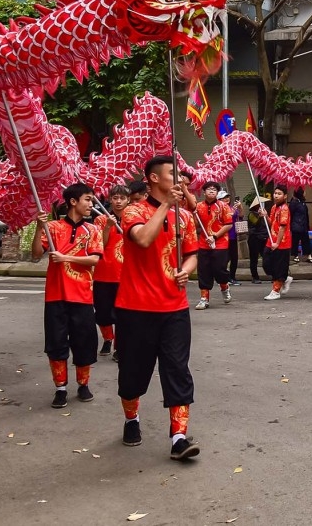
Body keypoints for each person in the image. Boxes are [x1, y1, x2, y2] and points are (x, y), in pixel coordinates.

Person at [116, 155, 201, 460]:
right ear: (153, 179)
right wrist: (166, 205)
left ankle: (178, 437)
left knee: (177, 370)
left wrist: (187, 269)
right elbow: (142, 239)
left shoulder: (186, 218)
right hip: (135, 307)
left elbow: (192, 253)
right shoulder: (132, 211)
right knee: (133, 374)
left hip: (174, 307)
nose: (178, 178)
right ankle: (131, 418)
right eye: (171, 173)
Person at [32, 183, 102, 409]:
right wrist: (38, 228)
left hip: (82, 296)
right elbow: (35, 254)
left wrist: (66, 259)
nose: (91, 204)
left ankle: (83, 384)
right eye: (88, 200)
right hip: (56, 296)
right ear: (73, 202)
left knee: (84, 343)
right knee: (56, 344)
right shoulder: (52, 227)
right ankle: (60, 388)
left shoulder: (93, 230)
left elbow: (94, 260)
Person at [94, 184, 130, 359]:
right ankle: (108, 337)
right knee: (102, 312)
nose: (118, 201)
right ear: (110, 199)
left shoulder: (133, 219)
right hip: (104, 273)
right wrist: (108, 227)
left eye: (122, 198)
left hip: (126, 274)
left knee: (123, 314)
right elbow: (100, 245)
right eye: (115, 198)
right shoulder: (101, 219)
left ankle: (119, 347)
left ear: (128, 200)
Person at [192, 182, 233, 310]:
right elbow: (196, 226)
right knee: (203, 271)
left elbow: (228, 224)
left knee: (219, 269)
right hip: (204, 243)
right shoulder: (198, 206)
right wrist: (194, 215)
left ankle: (224, 287)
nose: (211, 191)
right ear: (204, 192)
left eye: (214, 189)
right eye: (209, 189)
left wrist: (215, 236)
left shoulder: (223, 206)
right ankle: (204, 298)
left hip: (220, 243)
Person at [263, 186, 294, 300]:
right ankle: (284, 279)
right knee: (266, 264)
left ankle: (276, 291)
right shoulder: (274, 207)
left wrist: (277, 242)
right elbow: (272, 223)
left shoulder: (284, 209)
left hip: (282, 242)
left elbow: (282, 227)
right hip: (271, 240)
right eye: (275, 193)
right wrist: (265, 215)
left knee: (278, 267)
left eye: (279, 193)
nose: (276, 195)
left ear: (285, 196)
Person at [246, 195, 269, 283]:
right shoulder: (252, 214)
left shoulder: (265, 213)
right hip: (254, 238)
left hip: (264, 237)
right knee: (254, 258)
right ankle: (255, 277)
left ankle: (271, 274)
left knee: (267, 257)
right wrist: (259, 216)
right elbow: (255, 223)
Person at [289, 188, 312, 263]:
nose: (305, 193)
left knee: (306, 241)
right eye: (303, 192)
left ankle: (308, 256)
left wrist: (307, 225)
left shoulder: (303, 203)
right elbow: (291, 214)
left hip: (304, 226)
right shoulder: (293, 203)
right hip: (296, 225)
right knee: (295, 241)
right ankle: (295, 255)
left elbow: (306, 215)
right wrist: (291, 225)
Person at [223, 193, 241, 285]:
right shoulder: (219, 208)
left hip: (233, 235)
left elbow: (241, 215)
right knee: (225, 258)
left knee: (234, 258)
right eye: (223, 198)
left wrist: (240, 207)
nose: (226, 199)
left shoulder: (232, 207)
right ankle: (224, 278)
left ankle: (232, 277)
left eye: (227, 197)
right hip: (223, 237)